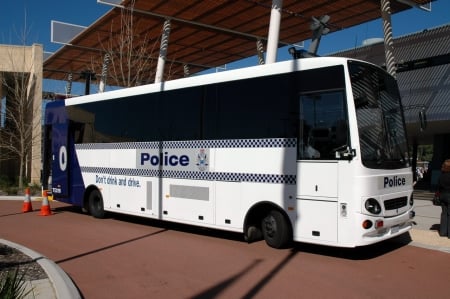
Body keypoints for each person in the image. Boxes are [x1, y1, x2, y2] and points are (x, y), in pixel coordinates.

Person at [438, 159, 450, 238]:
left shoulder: (441, 176)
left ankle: (443, 232)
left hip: (442, 196)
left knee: (444, 214)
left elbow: (438, 187)